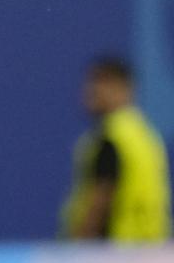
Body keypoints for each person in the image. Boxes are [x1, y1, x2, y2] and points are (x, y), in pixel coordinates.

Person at [60, 56, 171, 242]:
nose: (93, 90)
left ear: (126, 89)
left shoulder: (112, 139)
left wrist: (76, 247)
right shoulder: (144, 135)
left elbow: (99, 202)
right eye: (92, 82)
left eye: (104, 82)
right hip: (151, 249)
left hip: (116, 251)